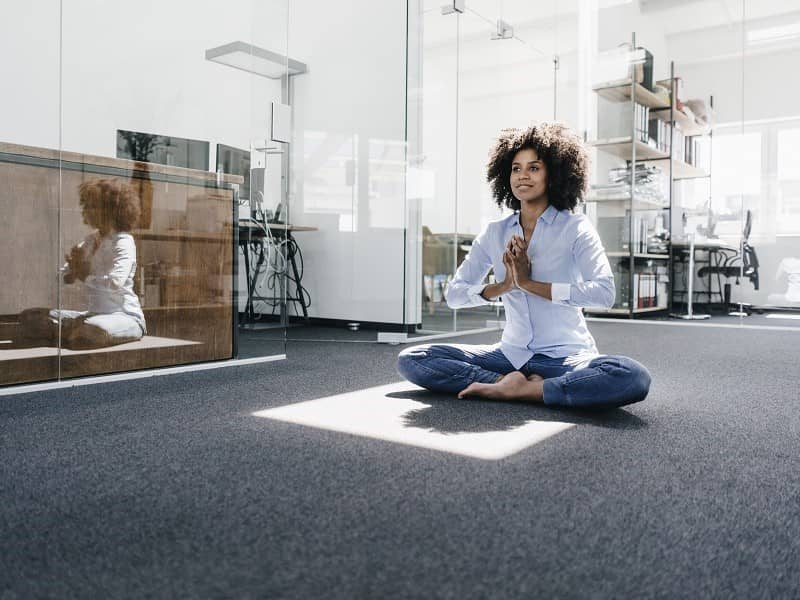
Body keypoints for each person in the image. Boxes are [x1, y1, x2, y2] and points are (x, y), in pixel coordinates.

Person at [397, 122, 651, 408]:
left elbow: (604, 293)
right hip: (510, 355)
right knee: (414, 359)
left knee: (631, 376)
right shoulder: (494, 232)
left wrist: (530, 284)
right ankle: (505, 384)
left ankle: (525, 390)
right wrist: (505, 285)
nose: (522, 176)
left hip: (566, 355)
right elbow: (455, 295)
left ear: (553, 173)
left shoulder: (576, 227)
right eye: (516, 168)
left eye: (534, 167)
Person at [19, 178, 146, 349]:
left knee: (93, 329)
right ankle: (74, 331)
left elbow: (115, 283)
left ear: (111, 209)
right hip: (92, 315)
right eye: (85, 206)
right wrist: (70, 273)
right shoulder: (90, 240)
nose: (85, 211)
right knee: (30, 316)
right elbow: (64, 275)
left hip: (123, 317)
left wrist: (83, 275)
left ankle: (73, 331)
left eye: (92, 206)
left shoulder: (123, 242)